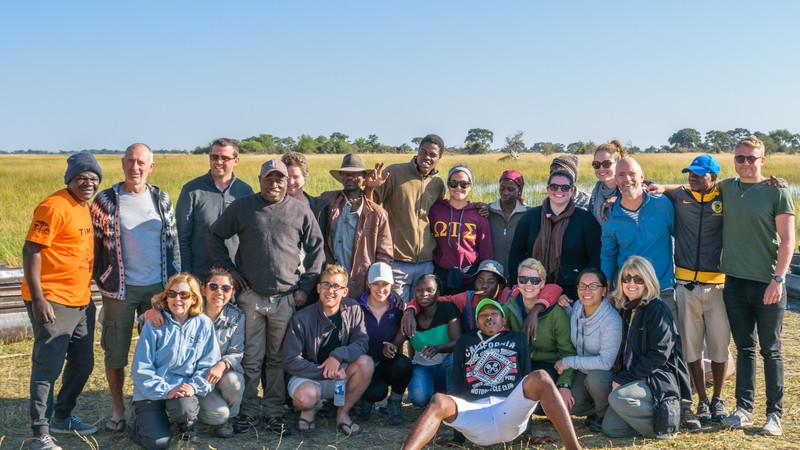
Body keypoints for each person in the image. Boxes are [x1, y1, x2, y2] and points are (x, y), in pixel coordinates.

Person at [209, 159, 325, 434]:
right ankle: (247, 411)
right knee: (251, 357)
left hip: (286, 298)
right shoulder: (243, 207)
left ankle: (273, 411)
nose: (275, 184)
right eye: (269, 179)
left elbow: (316, 250)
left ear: (287, 181)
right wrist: (230, 272)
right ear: (259, 179)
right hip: (250, 296)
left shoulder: (300, 210)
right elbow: (214, 235)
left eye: (280, 179)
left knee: (276, 358)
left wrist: (304, 288)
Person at [402, 299, 582, 450]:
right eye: (483, 315)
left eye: (494, 313)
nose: (489, 317)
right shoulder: (465, 341)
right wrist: (458, 438)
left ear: (503, 320)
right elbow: (456, 385)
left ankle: (574, 448)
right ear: (477, 322)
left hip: (509, 409)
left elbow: (526, 382)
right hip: (475, 413)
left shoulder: (517, 338)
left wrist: (528, 434)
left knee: (540, 377)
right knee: (439, 400)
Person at [91, 143, 180, 433]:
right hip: (120, 289)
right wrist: (102, 278)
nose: (135, 167)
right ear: (122, 163)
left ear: (151, 167)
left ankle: (149, 406)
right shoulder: (106, 200)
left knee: (156, 352)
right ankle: (119, 409)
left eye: (141, 162)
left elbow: (173, 243)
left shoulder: (161, 199)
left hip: (156, 289)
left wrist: (173, 285)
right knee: (115, 352)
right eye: (130, 161)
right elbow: (92, 245)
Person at [21, 152, 103, 450]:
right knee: (48, 366)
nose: (88, 183)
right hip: (53, 299)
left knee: (83, 363)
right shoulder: (52, 206)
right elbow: (31, 251)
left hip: (81, 300)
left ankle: (62, 416)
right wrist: (40, 299)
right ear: (69, 179)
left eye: (94, 179)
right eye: (82, 178)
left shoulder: (84, 207)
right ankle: (39, 433)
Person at [717, 136, 795, 436]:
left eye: (752, 158)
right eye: (740, 158)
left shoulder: (777, 192)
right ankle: (743, 409)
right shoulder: (727, 187)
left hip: (768, 283)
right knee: (745, 348)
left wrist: (778, 278)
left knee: (771, 350)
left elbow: (788, 240)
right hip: (735, 282)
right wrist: (659, 188)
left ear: (763, 160)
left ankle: (774, 415)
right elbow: (692, 189)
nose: (746, 164)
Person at [663, 154, 730, 423]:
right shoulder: (681, 196)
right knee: (690, 346)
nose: (692, 177)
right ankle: (701, 399)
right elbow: (659, 189)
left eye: (699, 174)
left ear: (713, 177)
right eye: (690, 173)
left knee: (719, 346)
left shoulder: (725, 197)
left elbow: (749, 190)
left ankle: (718, 399)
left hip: (718, 287)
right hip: (685, 285)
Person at [602, 256, 691, 439]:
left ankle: (666, 425)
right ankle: (651, 423)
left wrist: (624, 378)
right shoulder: (627, 309)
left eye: (638, 279)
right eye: (626, 279)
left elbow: (659, 355)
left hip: (656, 377)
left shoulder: (657, 310)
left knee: (617, 398)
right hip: (636, 376)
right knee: (611, 429)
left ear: (647, 281)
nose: (631, 283)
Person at [281, 264, 374, 436]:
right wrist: (323, 371)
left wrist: (337, 356)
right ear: (318, 288)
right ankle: (309, 410)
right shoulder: (301, 318)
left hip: (340, 373)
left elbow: (362, 342)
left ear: (345, 291)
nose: (330, 290)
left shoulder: (353, 309)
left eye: (336, 286)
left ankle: (342, 414)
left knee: (366, 363)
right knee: (306, 397)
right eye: (326, 284)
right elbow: (290, 359)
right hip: (308, 376)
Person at [130, 273, 220, 450]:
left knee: (184, 408)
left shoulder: (204, 324)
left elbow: (208, 364)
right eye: (172, 294)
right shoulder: (154, 324)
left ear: (194, 299)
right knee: (158, 444)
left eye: (184, 295)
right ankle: (138, 421)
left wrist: (194, 387)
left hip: (183, 392)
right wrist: (166, 390)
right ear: (166, 297)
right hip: (151, 391)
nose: (177, 299)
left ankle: (182, 425)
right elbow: (141, 369)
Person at [367, 134, 447, 302]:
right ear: (417, 151)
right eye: (423, 152)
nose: (426, 157)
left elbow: (440, 214)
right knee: (398, 311)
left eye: (432, 155)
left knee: (421, 312)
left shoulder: (438, 184)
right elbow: (370, 204)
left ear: (439, 158)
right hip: (397, 262)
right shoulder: (394, 173)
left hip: (426, 263)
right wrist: (369, 187)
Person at [600, 156, 677, 322]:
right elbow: (608, 253)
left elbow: (679, 235)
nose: (627, 179)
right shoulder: (610, 214)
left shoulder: (662, 204)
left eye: (632, 173)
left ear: (642, 177)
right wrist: (606, 284)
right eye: (621, 174)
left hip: (663, 288)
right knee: (632, 344)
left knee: (671, 342)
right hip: (630, 290)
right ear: (615, 179)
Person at [509, 170, 601, 299]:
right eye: (554, 187)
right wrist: (515, 284)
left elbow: (594, 259)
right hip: (533, 288)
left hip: (571, 293)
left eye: (565, 187)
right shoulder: (530, 217)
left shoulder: (585, 220)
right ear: (548, 189)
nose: (559, 191)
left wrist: (588, 289)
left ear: (572, 190)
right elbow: (516, 253)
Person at [503, 258, 576, 413]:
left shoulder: (557, 313)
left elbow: (568, 352)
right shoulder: (510, 306)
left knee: (542, 405)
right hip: (523, 364)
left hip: (550, 366)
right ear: (517, 282)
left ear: (543, 284)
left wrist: (564, 385)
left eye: (535, 280)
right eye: (523, 279)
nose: (528, 285)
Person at [175, 138, 254, 281]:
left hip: (235, 278)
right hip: (200, 276)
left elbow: (251, 237)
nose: (218, 162)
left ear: (236, 161)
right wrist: (187, 276)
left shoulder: (245, 191)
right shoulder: (192, 190)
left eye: (224, 158)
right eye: (214, 157)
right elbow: (182, 237)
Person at [555, 268, 622, 431]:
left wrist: (568, 362)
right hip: (583, 369)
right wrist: (565, 306)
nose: (586, 291)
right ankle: (598, 408)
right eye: (582, 286)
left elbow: (606, 363)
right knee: (572, 406)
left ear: (604, 290)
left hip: (606, 373)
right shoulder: (578, 307)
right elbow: (576, 322)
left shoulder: (612, 320)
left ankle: (603, 414)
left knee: (595, 379)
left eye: (593, 286)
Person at [319, 153, 393, 298]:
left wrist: (375, 282)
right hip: (332, 283)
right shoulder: (328, 200)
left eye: (355, 174)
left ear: (364, 178)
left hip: (361, 282)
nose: (350, 178)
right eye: (346, 174)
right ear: (341, 177)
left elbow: (385, 255)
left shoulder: (378, 214)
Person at [390, 274, 461, 407]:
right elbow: (396, 343)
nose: (424, 294)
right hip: (422, 367)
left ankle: (450, 399)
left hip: (446, 366)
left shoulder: (447, 309)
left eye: (430, 290)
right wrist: (391, 347)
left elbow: (457, 341)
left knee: (455, 358)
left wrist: (438, 348)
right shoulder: (410, 316)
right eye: (419, 290)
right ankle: (434, 393)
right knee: (419, 399)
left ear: (438, 293)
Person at [356, 262, 411, 425]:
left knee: (404, 364)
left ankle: (395, 403)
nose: (380, 289)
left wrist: (393, 344)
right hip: (363, 363)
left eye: (385, 284)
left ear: (391, 284)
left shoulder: (398, 307)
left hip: (385, 361)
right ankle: (364, 399)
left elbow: (404, 329)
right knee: (376, 392)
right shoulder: (356, 305)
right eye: (375, 284)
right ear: (368, 284)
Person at [429, 165, 493, 294]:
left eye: (464, 184)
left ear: (470, 187)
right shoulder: (435, 210)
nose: (458, 188)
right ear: (448, 185)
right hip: (440, 275)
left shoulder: (479, 214)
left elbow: (486, 253)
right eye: (454, 183)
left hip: (469, 276)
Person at [487, 170, 529, 279]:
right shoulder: (488, 211)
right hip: (493, 272)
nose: (505, 192)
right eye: (502, 188)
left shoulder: (528, 214)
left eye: (511, 189)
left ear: (519, 190)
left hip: (518, 273)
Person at [282, 151, 329, 235]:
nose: (291, 182)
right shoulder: (273, 206)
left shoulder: (320, 207)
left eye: (296, 177)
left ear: (305, 177)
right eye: (287, 177)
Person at [588, 140, 625, 222]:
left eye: (606, 164)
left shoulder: (629, 184)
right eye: (596, 164)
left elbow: (642, 194)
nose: (601, 169)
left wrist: (620, 200)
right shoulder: (596, 191)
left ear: (618, 163)